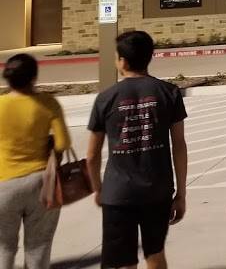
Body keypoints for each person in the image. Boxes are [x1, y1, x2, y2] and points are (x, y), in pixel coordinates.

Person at [86, 31, 187, 269]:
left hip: (118, 193)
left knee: (123, 262)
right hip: (158, 191)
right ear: (149, 57)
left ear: (122, 61)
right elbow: (179, 145)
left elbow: (91, 155)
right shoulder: (169, 92)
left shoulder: (106, 98)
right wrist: (181, 193)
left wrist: (98, 189)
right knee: (156, 254)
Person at [0, 54, 70, 269]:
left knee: (3, 247)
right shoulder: (48, 103)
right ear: (33, 77)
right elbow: (63, 143)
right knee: (38, 247)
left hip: (4, 184)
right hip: (42, 183)